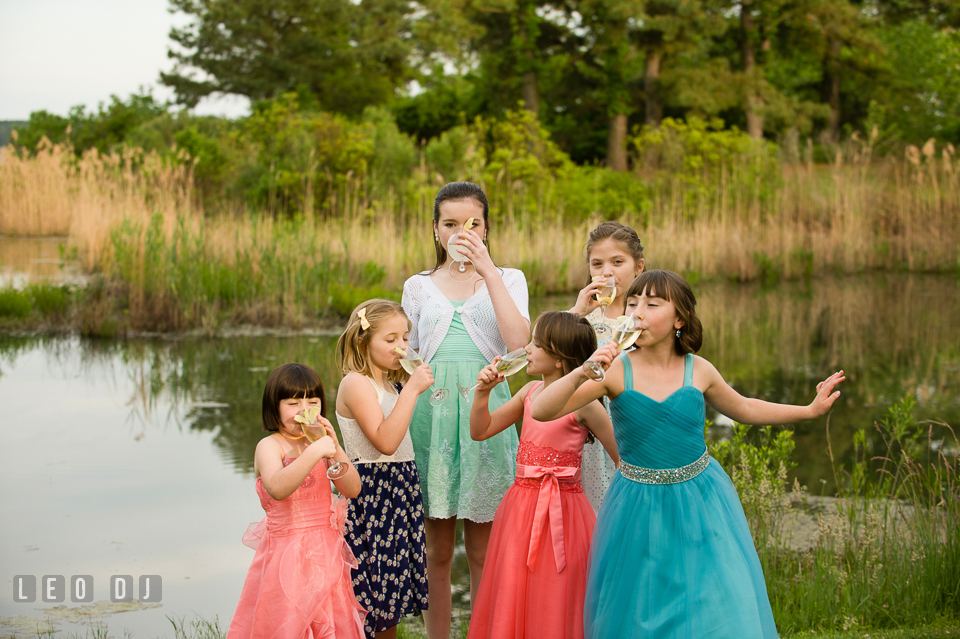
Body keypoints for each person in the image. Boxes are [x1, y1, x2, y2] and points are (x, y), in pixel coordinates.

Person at [532, 270, 846, 638]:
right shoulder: (616, 370)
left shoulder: (699, 370)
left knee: (710, 600)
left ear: (679, 318)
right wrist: (583, 372)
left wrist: (808, 410)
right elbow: (543, 410)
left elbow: (745, 408)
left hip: (701, 498)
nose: (637, 312)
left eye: (652, 304)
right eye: (632, 303)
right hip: (636, 505)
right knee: (640, 609)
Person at [401, 181, 530, 639]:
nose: (461, 231)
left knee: (483, 549)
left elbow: (519, 346)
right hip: (431, 417)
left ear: (486, 228)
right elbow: (407, 356)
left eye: (471, 223)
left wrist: (487, 271)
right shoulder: (417, 287)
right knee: (435, 550)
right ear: (436, 230)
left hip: (486, 412)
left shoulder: (509, 278)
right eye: (450, 223)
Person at [466, 311, 617, 639]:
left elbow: (623, 458)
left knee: (557, 585)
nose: (527, 350)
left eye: (536, 345)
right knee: (516, 583)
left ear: (561, 360)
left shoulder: (586, 404)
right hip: (520, 508)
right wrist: (481, 394)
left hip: (565, 512)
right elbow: (481, 430)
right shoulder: (529, 392)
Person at [228, 363, 366, 639]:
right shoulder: (269, 446)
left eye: (313, 402)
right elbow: (278, 487)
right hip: (287, 557)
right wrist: (315, 451)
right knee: (289, 622)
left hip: (325, 553)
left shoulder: (320, 443)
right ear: (274, 407)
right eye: (293, 403)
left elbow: (352, 489)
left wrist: (335, 448)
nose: (305, 410)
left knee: (331, 620)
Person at [335, 300, 432, 639]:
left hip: (400, 492)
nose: (401, 347)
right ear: (363, 342)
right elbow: (384, 441)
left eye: (405, 338)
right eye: (390, 340)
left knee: (389, 602)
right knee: (369, 600)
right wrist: (414, 390)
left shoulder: (393, 385)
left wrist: (408, 389)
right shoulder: (356, 383)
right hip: (372, 496)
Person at [568, 221, 646, 513]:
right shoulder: (583, 318)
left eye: (617, 262)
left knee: (630, 509)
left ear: (638, 266)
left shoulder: (645, 318)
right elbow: (546, 354)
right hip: (587, 431)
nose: (607, 272)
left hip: (633, 423)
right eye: (597, 264)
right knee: (592, 509)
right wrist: (577, 312)